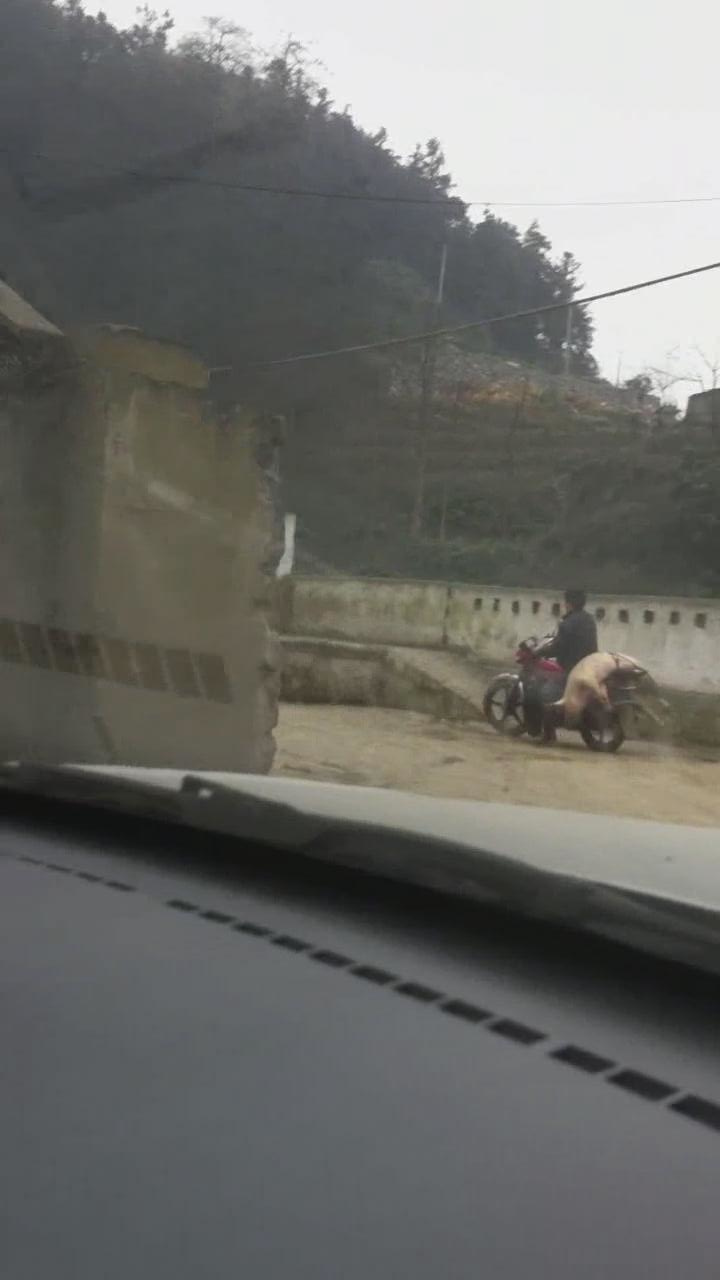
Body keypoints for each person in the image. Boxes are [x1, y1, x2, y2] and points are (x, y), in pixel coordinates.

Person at [534, 589, 599, 743]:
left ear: (568, 603)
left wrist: (540, 652)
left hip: (572, 669)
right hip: (588, 666)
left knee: (544, 693)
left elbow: (558, 646)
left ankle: (549, 735)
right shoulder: (589, 619)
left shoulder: (568, 623)